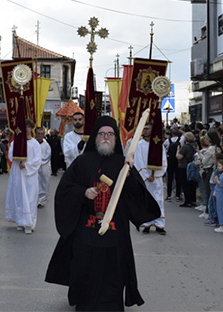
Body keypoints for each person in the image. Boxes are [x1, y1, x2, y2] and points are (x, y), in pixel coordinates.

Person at [45, 116, 160, 310]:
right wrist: (83, 192)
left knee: (113, 265)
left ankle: (111, 303)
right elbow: (65, 189)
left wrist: (130, 171)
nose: (106, 137)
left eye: (110, 134)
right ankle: (84, 300)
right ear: (95, 137)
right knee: (83, 262)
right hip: (86, 225)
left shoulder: (123, 164)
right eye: (101, 134)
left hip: (115, 227)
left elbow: (136, 196)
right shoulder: (82, 162)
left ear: (115, 138)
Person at [5, 120, 42, 234]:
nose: (26, 129)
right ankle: (20, 221)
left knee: (30, 197)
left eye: (28, 127)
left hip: (29, 174)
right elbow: (11, 156)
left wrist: (26, 165)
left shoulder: (35, 143)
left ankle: (29, 223)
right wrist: (18, 158)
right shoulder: (15, 142)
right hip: (17, 172)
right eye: (24, 126)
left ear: (32, 129)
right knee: (19, 196)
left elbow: (37, 160)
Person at [135, 122, 167, 234]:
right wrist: (146, 175)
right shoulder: (140, 144)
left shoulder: (159, 145)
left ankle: (159, 225)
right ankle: (147, 224)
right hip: (146, 179)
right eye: (144, 129)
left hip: (156, 179)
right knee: (146, 201)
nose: (145, 131)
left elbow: (163, 161)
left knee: (158, 201)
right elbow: (138, 161)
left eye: (148, 129)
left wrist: (155, 175)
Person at [36, 127, 52, 208]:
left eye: (41, 134)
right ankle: (35, 200)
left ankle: (42, 200)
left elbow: (47, 156)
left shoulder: (46, 145)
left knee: (43, 183)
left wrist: (38, 160)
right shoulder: (33, 144)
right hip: (34, 168)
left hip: (44, 167)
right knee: (35, 183)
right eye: (38, 134)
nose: (39, 135)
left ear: (44, 135)